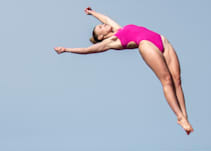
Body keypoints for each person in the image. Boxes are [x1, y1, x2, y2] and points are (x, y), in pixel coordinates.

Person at [54, 7, 192, 134]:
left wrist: (92, 13)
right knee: (167, 80)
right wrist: (67, 49)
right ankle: (179, 117)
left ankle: (185, 116)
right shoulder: (111, 41)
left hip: (162, 41)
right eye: (101, 28)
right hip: (147, 45)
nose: (103, 25)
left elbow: (106, 19)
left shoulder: (118, 29)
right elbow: (87, 50)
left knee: (177, 80)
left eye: (101, 25)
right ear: (101, 37)